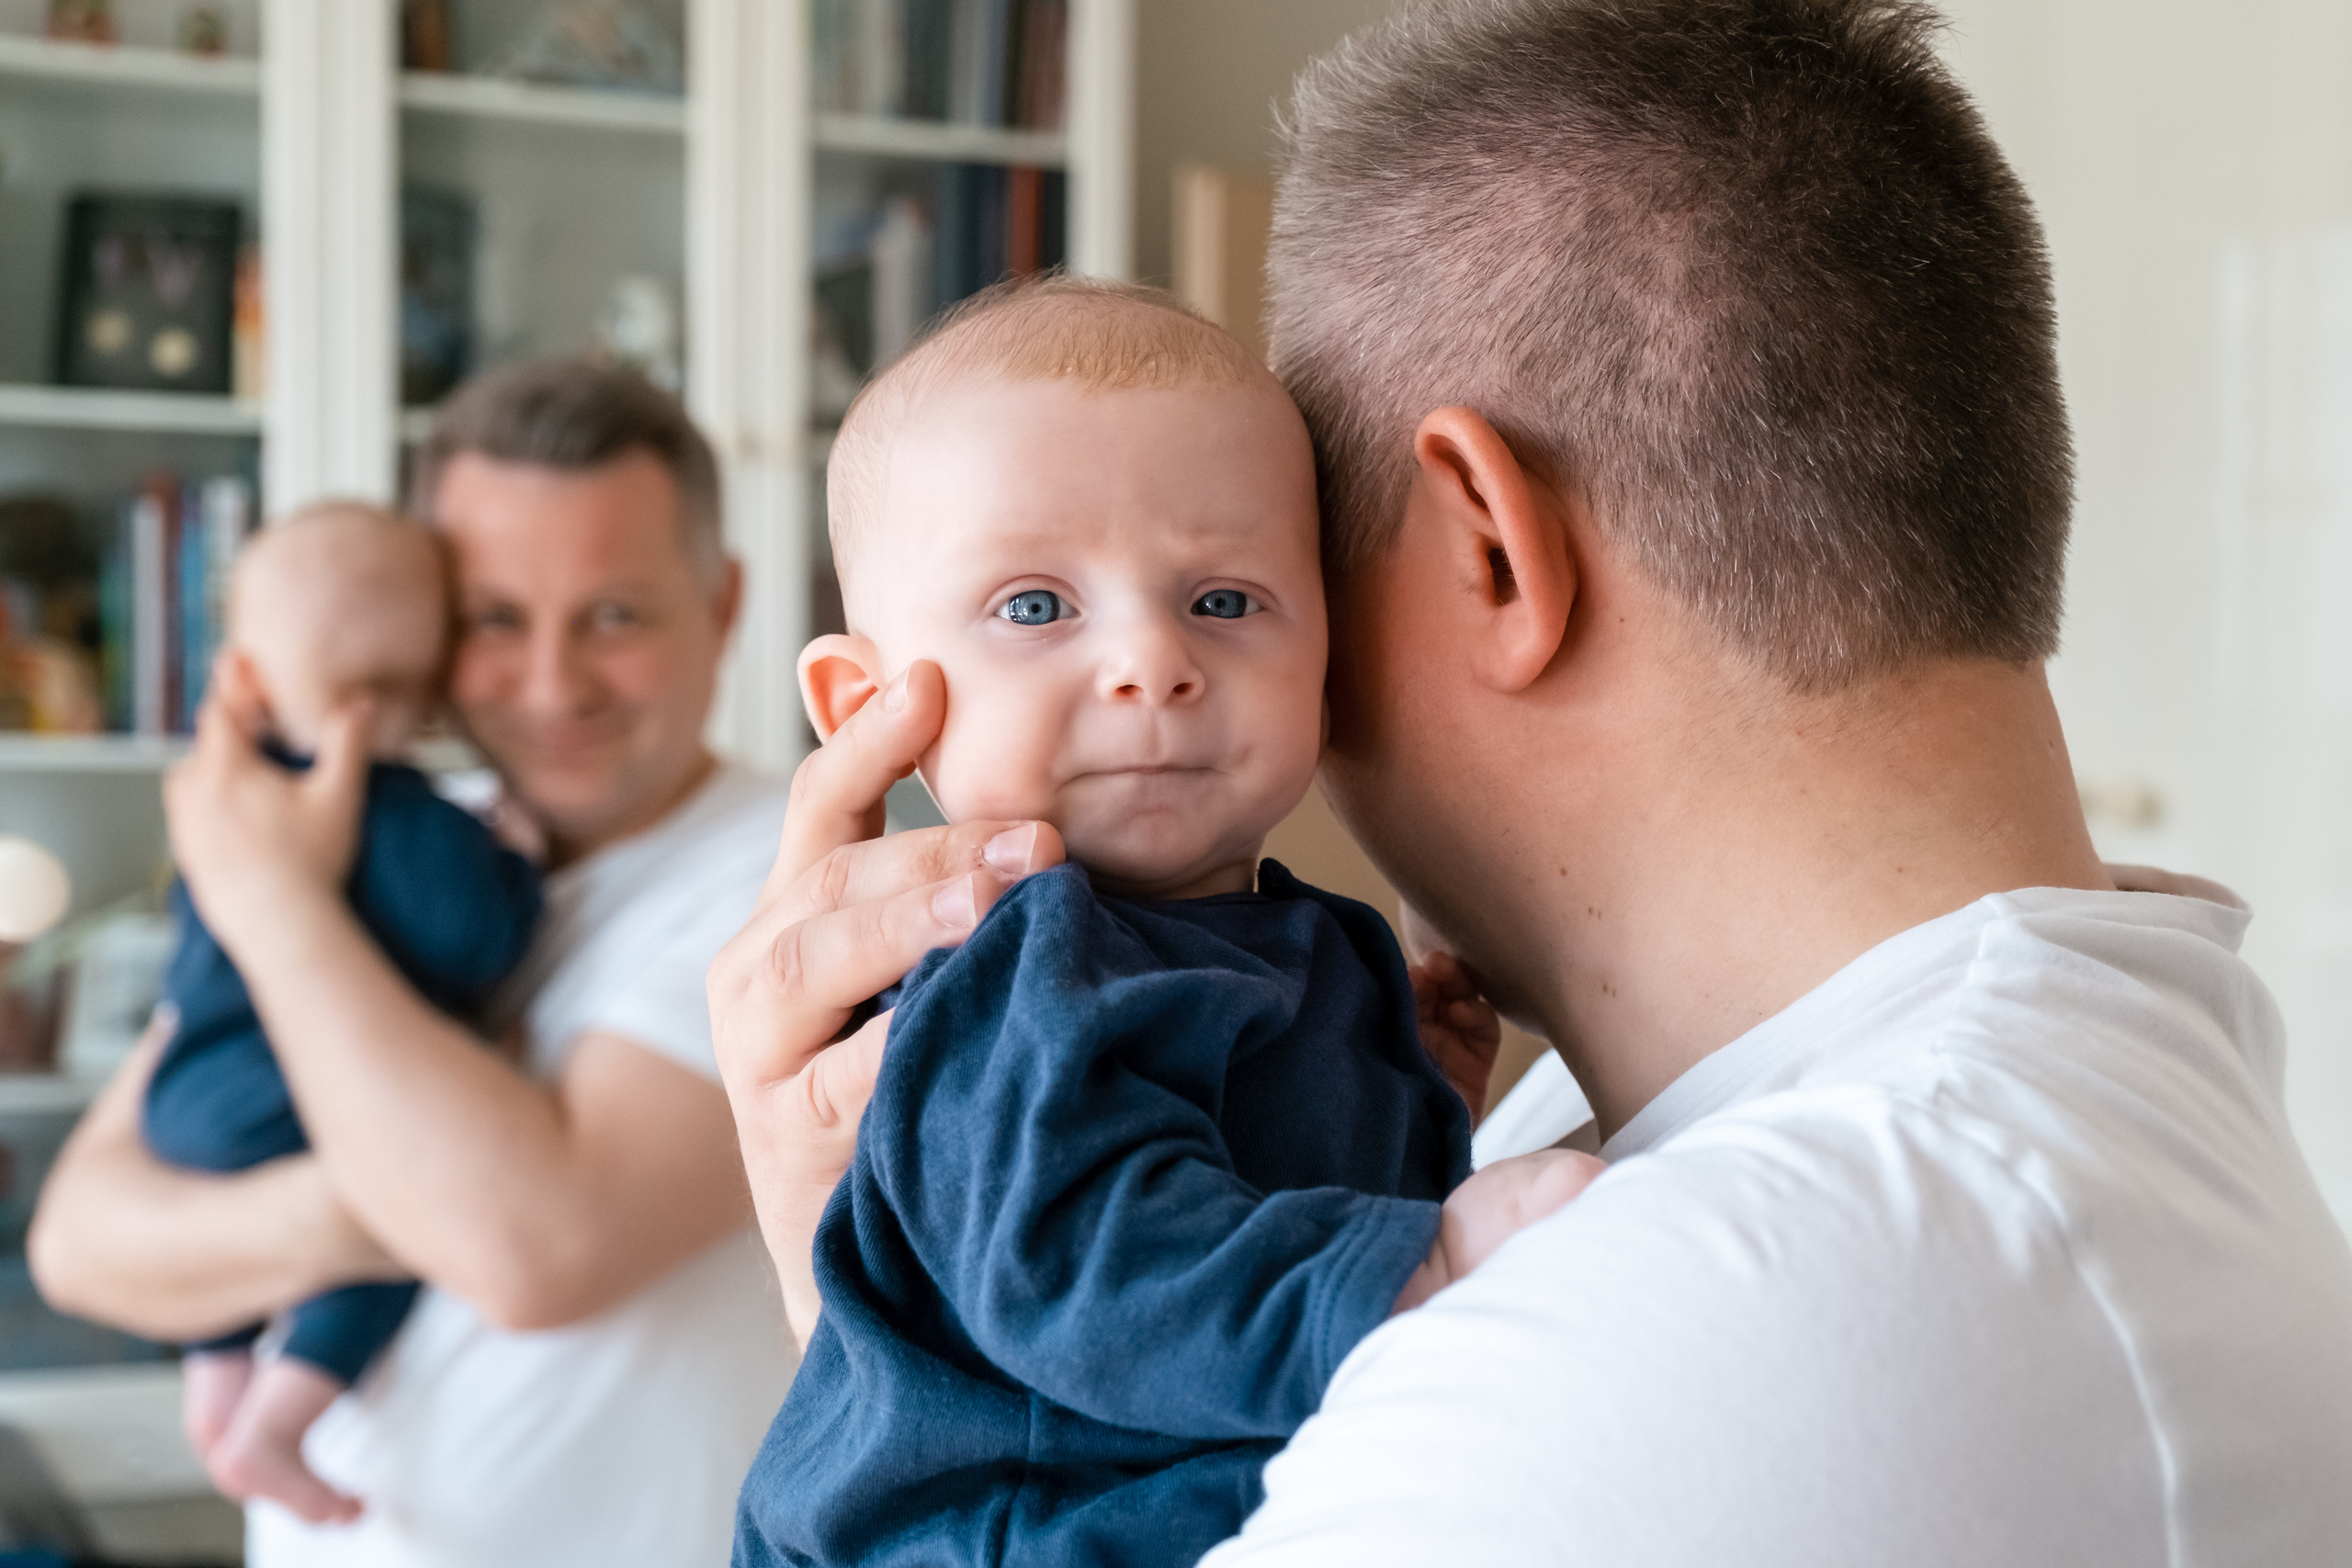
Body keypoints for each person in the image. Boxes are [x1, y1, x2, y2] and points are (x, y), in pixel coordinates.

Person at [706, 1, 2352, 1563]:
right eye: (1041, 605)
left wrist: (836, 1319)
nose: (1162, 675)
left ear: (1491, 546)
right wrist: (887, 1303)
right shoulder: (1981, 1055)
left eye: (1259, 587)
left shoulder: (1725, 1320)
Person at [730, 278, 1599, 1568]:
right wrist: (1427, 1250)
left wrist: (1410, 1104)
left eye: (1225, 599)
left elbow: (1253, 1174)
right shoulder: (1015, 961)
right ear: (868, 701)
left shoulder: (1322, 939)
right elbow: (1088, 1263)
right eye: (1036, 606)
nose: (1153, 659)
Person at [30, 360, 797, 1568]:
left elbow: (535, 1249)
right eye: (496, 618)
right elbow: (84, 1237)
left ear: (725, 604)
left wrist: (272, 899)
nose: (553, 682)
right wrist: (403, 1193)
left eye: (617, 614)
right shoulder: (398, 838)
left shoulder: (800, 864)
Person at [148, 502, 542, 1526]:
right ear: (431, 686)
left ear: (240, 679)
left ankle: (218, 1370)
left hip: (184, 1093)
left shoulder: (222, 803)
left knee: (239, 1212)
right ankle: (280, 1420)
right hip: (284, 1093)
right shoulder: (409, 816)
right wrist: (518, 867)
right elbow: (474, 940)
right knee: (404, 1207)